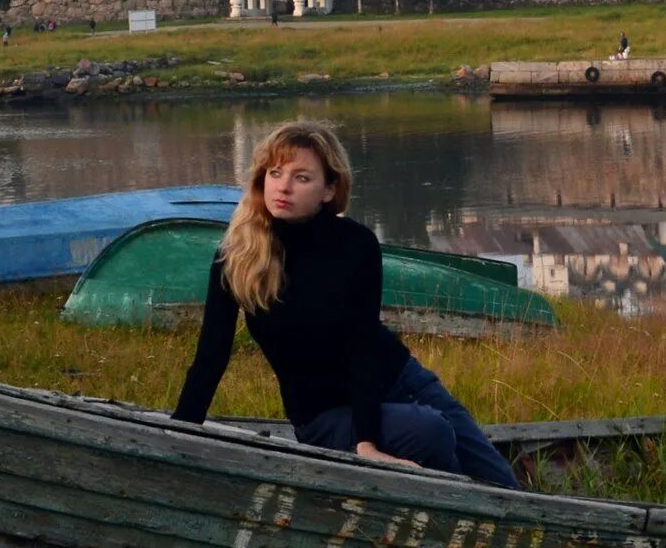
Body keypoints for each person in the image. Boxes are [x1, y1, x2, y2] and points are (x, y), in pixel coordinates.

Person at [170, 122, 518, 488]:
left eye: (301, 177)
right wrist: (179, 433)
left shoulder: (356, 244)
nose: (283, 187)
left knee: (502, 484)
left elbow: (363, 346)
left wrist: (365, 441)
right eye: (275, 173)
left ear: (329, 189)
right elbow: (212, 353)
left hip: (402, 380)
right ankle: (450, 511)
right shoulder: (237, 255)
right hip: (325, 415)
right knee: (431, 433)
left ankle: (456, 506)